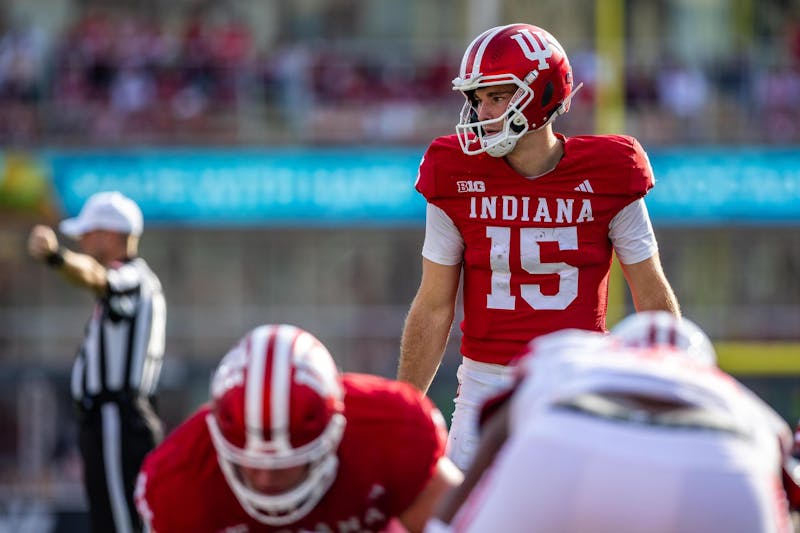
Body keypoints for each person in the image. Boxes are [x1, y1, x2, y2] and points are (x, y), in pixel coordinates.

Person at [398, 22, 681, 471]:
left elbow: (650, 294)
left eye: (496, 96)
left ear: (542, 94)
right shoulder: (453, 171)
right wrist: (403, 412)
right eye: (477, 99)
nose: (482, 112)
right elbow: (433, 306)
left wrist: (675, 396)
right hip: (486, 387)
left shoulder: (611, 171)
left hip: (580, 385)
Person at [428, 313, 795, 533]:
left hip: (567, 433)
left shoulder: (568, 354)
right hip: (726, 458)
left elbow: (495, 432)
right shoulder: (743, 402)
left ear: (618, 347)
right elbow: (788, 489)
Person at [135, 323, 463, 532]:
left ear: (334, 433)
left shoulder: (387, 431)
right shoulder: (181, 477)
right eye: (253, 464)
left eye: (284, 465)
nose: (266, 479)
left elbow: (464, 521)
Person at [28, 191, 166, 533]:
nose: (82, 241)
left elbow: (96, 277)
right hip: (109, 418)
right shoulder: (133, 282)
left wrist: (56, 257)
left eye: (88, 233)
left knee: (122, 522)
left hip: (116, 417)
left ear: (109, 234)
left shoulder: (132, 277)